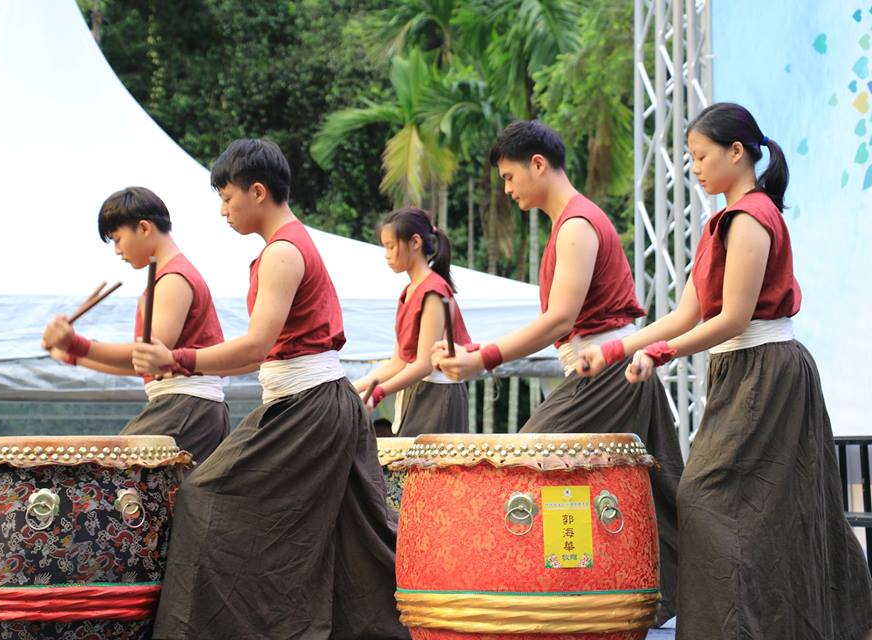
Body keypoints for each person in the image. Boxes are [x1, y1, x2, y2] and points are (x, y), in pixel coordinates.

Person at [578, 102, 872, 639]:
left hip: (766, 375)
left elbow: (733, 318)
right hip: (741, 375)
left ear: (737, 152)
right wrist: (617, 350)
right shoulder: (723, 222)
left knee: (710, 501)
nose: (694, 167)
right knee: (753, 511)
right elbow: (686, 314)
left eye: (701, 156)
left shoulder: (752, 218)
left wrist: (662, 354)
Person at [132, 139, 408, 640]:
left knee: (205, 497)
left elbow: (256, 346)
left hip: (311, 405)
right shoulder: (284, 246)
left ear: (257, 192)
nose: (223, 210)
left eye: (227, 197)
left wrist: (177, 358)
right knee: (358, 539)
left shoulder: (283, 252)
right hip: (314, 403)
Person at [433, 120, 682, 624]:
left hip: (608, 375)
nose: (507, 190)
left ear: (538, 165)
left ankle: (549, 606)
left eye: (508, 177)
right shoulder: (570, 223)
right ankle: (605, 605)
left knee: (523, 464)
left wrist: (484, 359)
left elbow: (561, 320)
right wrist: (481, 350)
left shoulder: (576, 225)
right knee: (656, 501)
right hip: (608, 371)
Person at [41, 187, 230, 464]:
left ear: (143, 228)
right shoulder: (167, 277)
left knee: (107, 477)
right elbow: (143, 365)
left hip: (187, 406)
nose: (118, 251)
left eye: (118, 239)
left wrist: (77, 345)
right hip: (188, 407)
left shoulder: (173, 279)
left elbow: (149, 355)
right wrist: (74, 354)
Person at [353, 207, 472, 435]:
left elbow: (423, 364)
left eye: (391, 246)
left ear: (415, 242)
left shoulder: (434, 290)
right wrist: (353, 389)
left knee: (428, 470)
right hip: (418, 390)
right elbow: (398, 363)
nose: (386, 254)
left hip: (438, 394)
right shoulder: (409, 292)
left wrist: (376, 394)